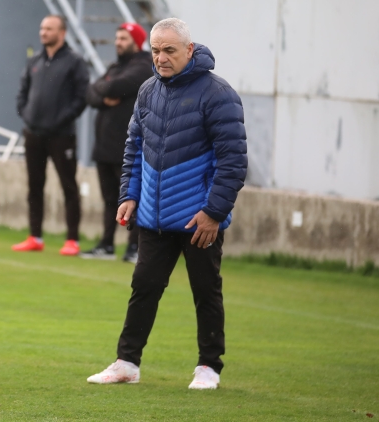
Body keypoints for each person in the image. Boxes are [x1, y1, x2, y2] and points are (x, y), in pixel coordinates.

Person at [86, 18, 247, 389]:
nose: (161, 58)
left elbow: (233, 161)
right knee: (143, 287)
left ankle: (209, 367)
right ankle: (127, 363)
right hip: (153, 216)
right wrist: (130, 195)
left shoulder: (219, 93)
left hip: (198, 218)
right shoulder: (147, 89)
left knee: (205, 291)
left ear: (189, 50)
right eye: (156, 50)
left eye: (169, 50)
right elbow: (134, 147)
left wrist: (214, 213)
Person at [13, 15, 89, 256]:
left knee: (69, 186)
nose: (43, 32)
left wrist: (60, 120)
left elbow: (81, 97)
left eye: (49, 28)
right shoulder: (34, 61)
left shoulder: (75, 62)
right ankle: (35, 236)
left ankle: (72, 240)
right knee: (34, 186)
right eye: (42, 28)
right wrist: (26, 115)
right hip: (33, 134)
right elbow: (22, 92)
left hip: (61, 135)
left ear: (62, 33)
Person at [80, 22, 153, 264]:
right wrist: (103, 95)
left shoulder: (143, 66)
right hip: (104, 146)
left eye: (123, 38)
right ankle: (107, 244)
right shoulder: (115, 66)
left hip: (128, 149)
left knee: (133, 199)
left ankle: (134, 247)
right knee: (109, 199)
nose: (118, 43)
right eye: (117, 38)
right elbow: (90, 93)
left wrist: (103, 89)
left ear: (136, 41)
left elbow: (112, 86)